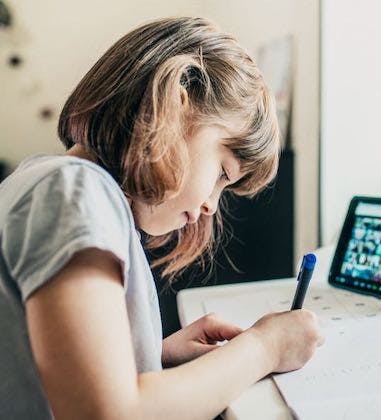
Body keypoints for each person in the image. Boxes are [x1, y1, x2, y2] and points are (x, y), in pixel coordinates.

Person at [0, 17, 323, 419]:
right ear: (174, 109)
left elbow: (45, 368)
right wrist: (263, 348)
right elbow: (109, 413)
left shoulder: (47, 179)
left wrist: (154, 355)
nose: (210, 206)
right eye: (222, 172)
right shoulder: (75, 194)